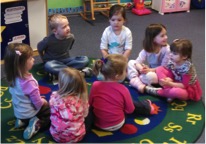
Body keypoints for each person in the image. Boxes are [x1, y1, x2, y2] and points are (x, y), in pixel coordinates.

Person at [90, 54, 157, 131]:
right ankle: (146, 106)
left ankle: (145, 106)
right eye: (126, 70)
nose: (127, 72)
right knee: (131, 103)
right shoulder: (123, 89)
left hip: (98, 124)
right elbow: (130, 110)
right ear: (117, 76)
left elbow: (90, 104)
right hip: (118, 124)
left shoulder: (95, 85)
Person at [4, 43, 50, 140]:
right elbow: (37, 104)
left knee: (35, 102)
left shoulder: (12, 77)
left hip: (19, 112)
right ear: (21, 64)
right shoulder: (29, 82)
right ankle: (36, 124)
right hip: (29, 113)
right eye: (30, 58)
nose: (33, 59)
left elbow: (23, 96)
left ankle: (22, 121)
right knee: (50, 112)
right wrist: (43, 102)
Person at [37, 14, 92, 80]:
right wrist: (44, 60)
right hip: (53, 62)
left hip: (66, 61)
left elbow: (69, 48)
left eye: (68, 25)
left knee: (85, 59)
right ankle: (79, 73)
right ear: (55, 31)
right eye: (64, 27)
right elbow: (39, 48)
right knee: (48, 66)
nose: (68, 28)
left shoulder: (71, 37)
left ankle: (62, 74)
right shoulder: (48, 40)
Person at [49, 67, 93, 143]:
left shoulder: (54, 97)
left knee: (55, 115)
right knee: (91, 114)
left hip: (56, 136)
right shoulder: (82, 100)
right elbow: (85, 115)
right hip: (76, 138)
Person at [127, 24, 170, 93]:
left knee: (151, 77)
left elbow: (163, 67)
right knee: (131, 62)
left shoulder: (167, 50)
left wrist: (149, 70)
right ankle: (137, 81)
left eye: (165, 34)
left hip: (159, 74)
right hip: (149, 70)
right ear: (153, 39)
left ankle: (135, 79)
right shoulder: (147, 49)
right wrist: (141, 69)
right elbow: (137, 62)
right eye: (162, 36)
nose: (166, 37)